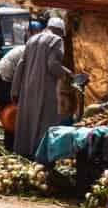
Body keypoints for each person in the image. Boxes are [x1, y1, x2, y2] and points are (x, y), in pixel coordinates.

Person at [10, 17, 72, 158]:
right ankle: (41, 156)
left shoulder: (32, 39)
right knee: (46, 120)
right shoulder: (56, 40)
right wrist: (68, 74)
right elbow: (52, 65)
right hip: (45, 89)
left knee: (28, 120)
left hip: (27, 89)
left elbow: (21, 65)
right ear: (59, 30)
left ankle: (24, 154)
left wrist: (15, 89)